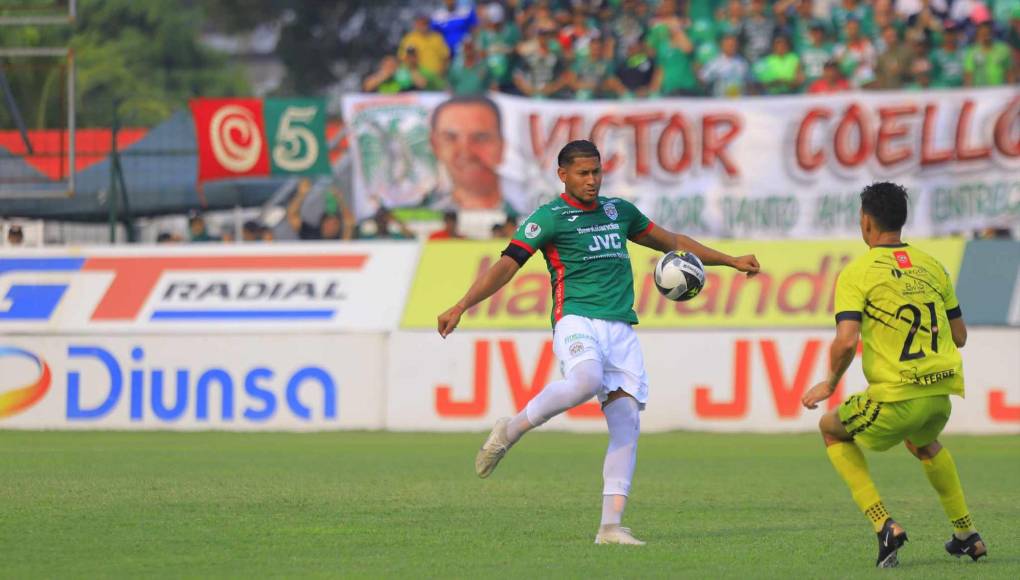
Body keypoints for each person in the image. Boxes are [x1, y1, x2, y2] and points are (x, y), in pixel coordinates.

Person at [436, 140, 760, 545]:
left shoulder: (618, 211)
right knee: (585, 380)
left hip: (620, 328)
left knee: (627, 424)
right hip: (576, 319)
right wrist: (462, 304)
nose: (592, 181)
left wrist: (729, 261)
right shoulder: (549, 218)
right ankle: (511, 429)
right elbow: (506, 265)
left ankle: (610, 527)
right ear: (563, 175)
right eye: (583, 174)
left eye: (596, 172)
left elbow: (671, 241)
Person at [801, 182, 987, 568]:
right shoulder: (933, 266)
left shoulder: (858, 272)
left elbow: (847, 341)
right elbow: (960, 336)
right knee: (924, 443)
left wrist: (830, 383)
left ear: (865, 222)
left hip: (896, 396)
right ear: (902, 220)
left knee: (831, 429)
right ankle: (967, 534)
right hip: (940, 396)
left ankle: (884, 525)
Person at [428, 95, 506, 211]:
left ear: (501, 146)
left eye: (480, 137)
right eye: (450, 138)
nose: (466, 152)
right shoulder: (424, 206)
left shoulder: (533, 205)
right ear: (435, 146)